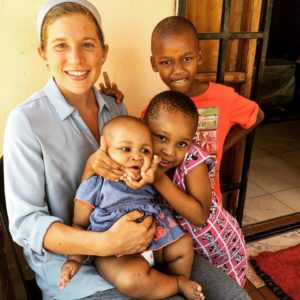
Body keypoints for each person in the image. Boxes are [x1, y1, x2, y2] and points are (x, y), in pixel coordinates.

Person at [3, 0, 251, 298]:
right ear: (42, 53)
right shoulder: (27, 121)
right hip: (77, 268)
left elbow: (150, 162)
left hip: (149, 240)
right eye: (60, 46)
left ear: (104, 51)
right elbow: (26, 224)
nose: (76, 58)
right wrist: (106, 243)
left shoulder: (116, 106)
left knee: (234, 296)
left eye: (87, 44)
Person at [59, 116, 204, 300]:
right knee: (130, 280)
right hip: (116, 255)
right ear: (104, 151)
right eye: (126, 149)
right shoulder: (96, 183)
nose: (137, 156)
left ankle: (173, 279)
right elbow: (79, 224)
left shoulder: (148, 180)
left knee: (183, 246)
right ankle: (176, 284)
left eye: (145, 150)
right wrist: (74, 260)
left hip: (156, 240)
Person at [149, 16, 265, 203]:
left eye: (187, 58)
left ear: (199, 57)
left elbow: (256, 115)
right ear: (154, 64)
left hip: (207, 206)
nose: (178, 70)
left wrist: (223, 147)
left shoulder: (223, 97)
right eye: (166, 62)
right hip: (167, 208)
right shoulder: (156, 109)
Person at [143, 91, 247, 287]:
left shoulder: (193, 160)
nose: (170, 151)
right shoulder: (143, 155)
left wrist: (159, 180)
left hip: (222, 252)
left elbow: (200, 217)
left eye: (181, 143)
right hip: (188, 252)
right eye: (162, 138)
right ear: (144, 127)